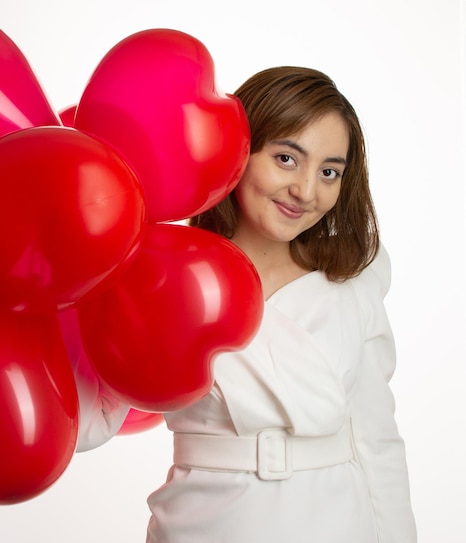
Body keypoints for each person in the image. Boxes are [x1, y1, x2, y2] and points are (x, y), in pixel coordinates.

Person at [75, 66, 417, 543]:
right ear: (239, 150)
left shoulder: (352, 284)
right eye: (285, 158)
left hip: (339, 520)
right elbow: (86, 423)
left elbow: (377, 440)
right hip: (206, 524)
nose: (306, 191)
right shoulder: (160, 275)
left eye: (329, 172)